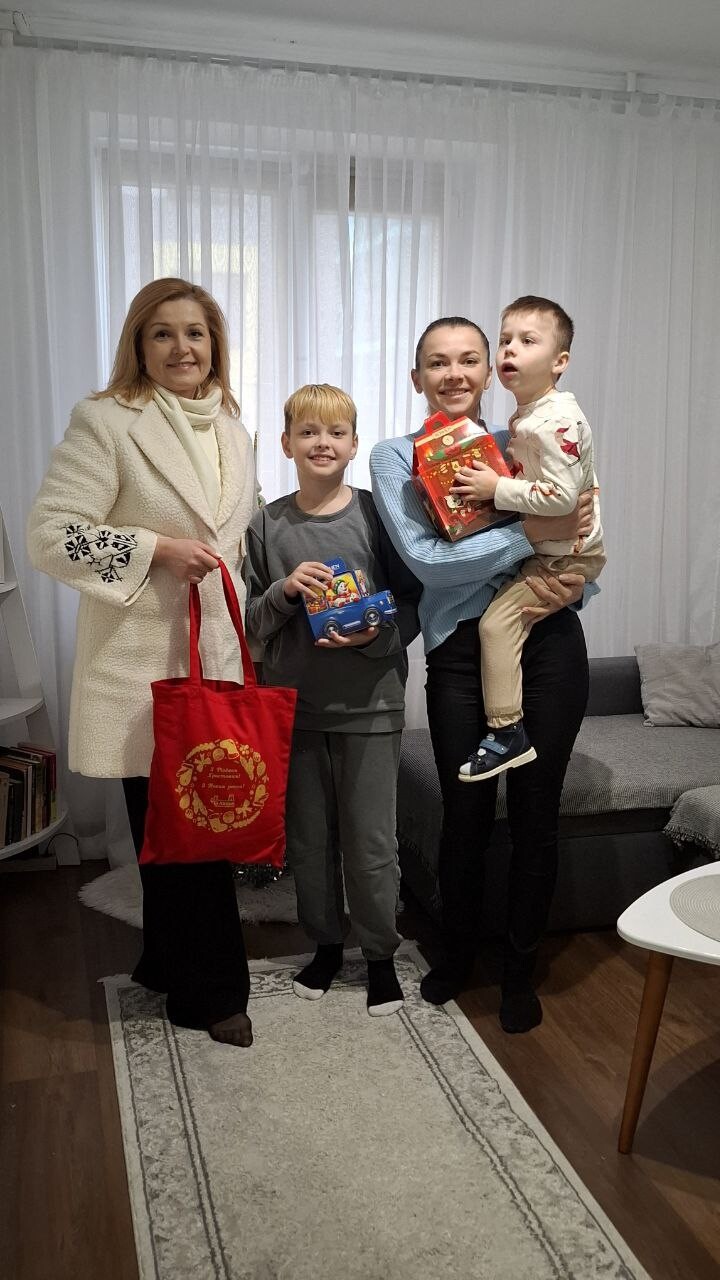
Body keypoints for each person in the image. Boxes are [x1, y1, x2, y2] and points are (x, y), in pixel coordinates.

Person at [28, 277, 257, 1048]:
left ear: (214, 343)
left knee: (182, 831)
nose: (181, 347)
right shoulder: (106, 422)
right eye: (162, 333)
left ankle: (164, 963)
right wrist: (153, 549)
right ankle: (214, 996)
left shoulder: (232, 427)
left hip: (212, 657)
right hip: (138, 668)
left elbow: (234, 542)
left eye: (195, 332)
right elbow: (52, 534)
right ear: (139, 345)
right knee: (190, 837)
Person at [370, 316, 595, 1033]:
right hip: (460, 655)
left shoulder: (523, 437)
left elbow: (579, 541)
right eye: (439, 363)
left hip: (548, 641)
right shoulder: (394, 457)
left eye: (470, 359)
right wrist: (531, 532)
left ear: (489, 370)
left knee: (536, 813)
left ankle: (520, 970)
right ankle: (456, 955)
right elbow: (430, 565)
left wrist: (574, 577)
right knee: (465, 814)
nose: (456, 374)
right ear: (417, 377)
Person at [243, 384, 421, 1016]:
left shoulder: (379, 516)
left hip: (371, 704)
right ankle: (324, 947)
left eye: (336, 433)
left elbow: (412, 603)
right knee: (309, 842)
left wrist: (377, 635)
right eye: (309, 432)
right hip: (292, 709)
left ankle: (380, 957)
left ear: (353, 444)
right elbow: (251, 623)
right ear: (286, 443)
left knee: (371, 843)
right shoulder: (266, 525)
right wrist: (286, 592)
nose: (322, 443)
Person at [450, 296, 605, 782]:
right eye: (504, 340)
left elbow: (562, 498)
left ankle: (506, 732)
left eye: (527, 340)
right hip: (555, 554)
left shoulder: (552, 420)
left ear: (560, 361)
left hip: (562, 559)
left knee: (497, 626)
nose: (510, 350)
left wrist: (496, 488)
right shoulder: (532, 417)